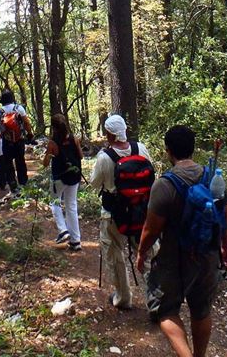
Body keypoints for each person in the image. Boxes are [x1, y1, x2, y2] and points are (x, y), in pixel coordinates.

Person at [136, 125, 227, 357]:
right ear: (192, 149)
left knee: (166, 311)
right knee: (201, 310)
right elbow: (226, 217)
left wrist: (142, 251)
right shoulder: (212, 178)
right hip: (207, 254)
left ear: (168, 150)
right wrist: (225, 246)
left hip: (173, 257)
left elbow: (151, 229)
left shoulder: (164, 185)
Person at [89, 113, 153, 310]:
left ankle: (123, 297)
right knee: (146, 253)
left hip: (113, 214)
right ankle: (155, 299)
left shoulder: (104, 158)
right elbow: (151, 172)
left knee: (114, 254)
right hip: (141, 211)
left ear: (109, 134)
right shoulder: (140, 148)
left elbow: (94, 184)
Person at [42, 114, 83, 251]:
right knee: (71, 206)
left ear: (53, 127)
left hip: (59, 177)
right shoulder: (74, 138)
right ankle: (76, 241)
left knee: (55, 202)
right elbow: (81, 156)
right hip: (74, 175)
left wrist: (48, 154)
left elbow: (45, 163)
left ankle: (63, 230)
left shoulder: (53, 143)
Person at [0, 89, 33, 193]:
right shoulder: (19, 108)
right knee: (20, 161)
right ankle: (23, 184)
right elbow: (26, 123)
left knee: (8, 164)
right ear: (12, 99)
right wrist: (29, 134)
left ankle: (13, 185)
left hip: (6, 141)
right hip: (19, 140)